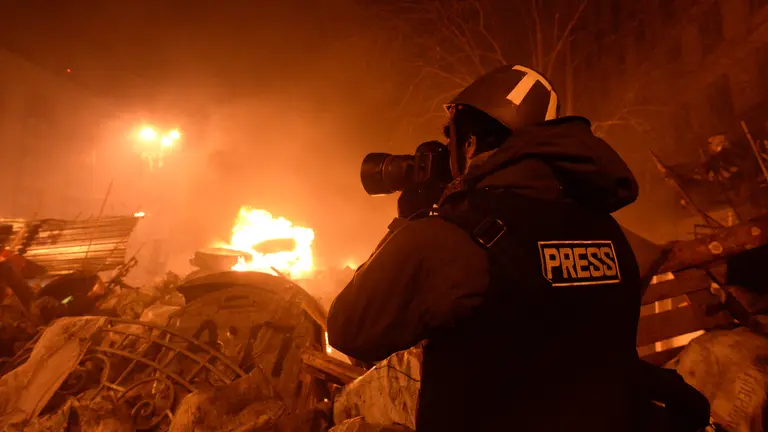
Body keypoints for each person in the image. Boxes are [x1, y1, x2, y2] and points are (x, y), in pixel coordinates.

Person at [327, 64, 710, 431]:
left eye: (452, 136)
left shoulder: (448, 238)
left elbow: (350, 329)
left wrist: (409, 222)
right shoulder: (613, 233)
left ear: (471, 142)